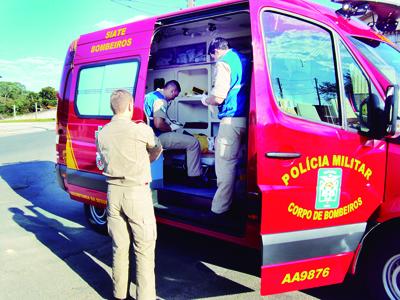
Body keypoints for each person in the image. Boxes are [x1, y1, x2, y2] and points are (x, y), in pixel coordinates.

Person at [96, 89, 162, 300]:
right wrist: (146, 160)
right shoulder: (141, 130)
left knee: (119, 247)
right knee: (143, 249)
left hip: (113, 194)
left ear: (112, 107)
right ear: (131, 106)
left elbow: (102, 160)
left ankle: (119, 295)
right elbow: (157, 148)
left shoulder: (103, 132)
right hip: (136, 194)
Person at [201, 37, 250, 215]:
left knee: (225, 165)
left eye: (212, 56)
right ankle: (241, 200)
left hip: (231, 120)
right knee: (242, 163)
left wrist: (206, 100)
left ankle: (220, 209)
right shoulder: (244, 59)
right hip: (248, 118)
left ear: (216, 51)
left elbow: (219, 97)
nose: (214, 60)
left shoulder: (223, 63)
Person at [144, 80, 203, 184]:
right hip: (156, 137)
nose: (173, 98)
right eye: (174, 96)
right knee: (193, 143)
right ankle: (195, 177)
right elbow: (158, 124)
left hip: (146, 134)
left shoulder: (150, 95)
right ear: (172, 91)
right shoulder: (160, 100)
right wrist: (171, 128)